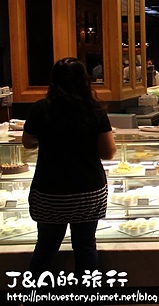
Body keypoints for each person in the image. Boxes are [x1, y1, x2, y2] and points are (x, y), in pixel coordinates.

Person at [22, 57, 117, 277]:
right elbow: (108, 152)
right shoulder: (94, 110)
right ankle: (86, 292)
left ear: (53, 81)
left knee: (45, 247)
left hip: (49, 192)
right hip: (88, 192)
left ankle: (33, 292)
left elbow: (28, 142)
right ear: (85, 80)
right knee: (85, 246)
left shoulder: (41, 108)